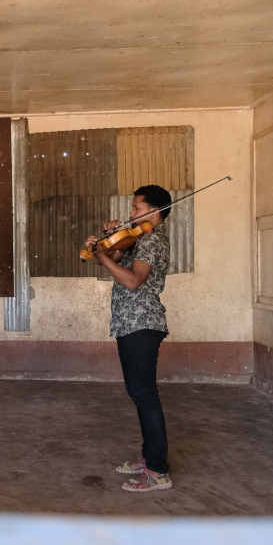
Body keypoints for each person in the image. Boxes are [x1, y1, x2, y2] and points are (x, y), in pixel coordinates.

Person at [84, 184, 174, 492]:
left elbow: (133, 281)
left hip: (142, 323)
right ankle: (150, 457)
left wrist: (104, 257)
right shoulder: (139, 239)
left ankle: (158, 471)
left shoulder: (152, 242)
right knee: (139, 394)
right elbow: (109, 260)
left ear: (153, 211)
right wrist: (106, 245)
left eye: (136, 208)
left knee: (144, 395)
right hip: (130, 324)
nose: (131, 213)